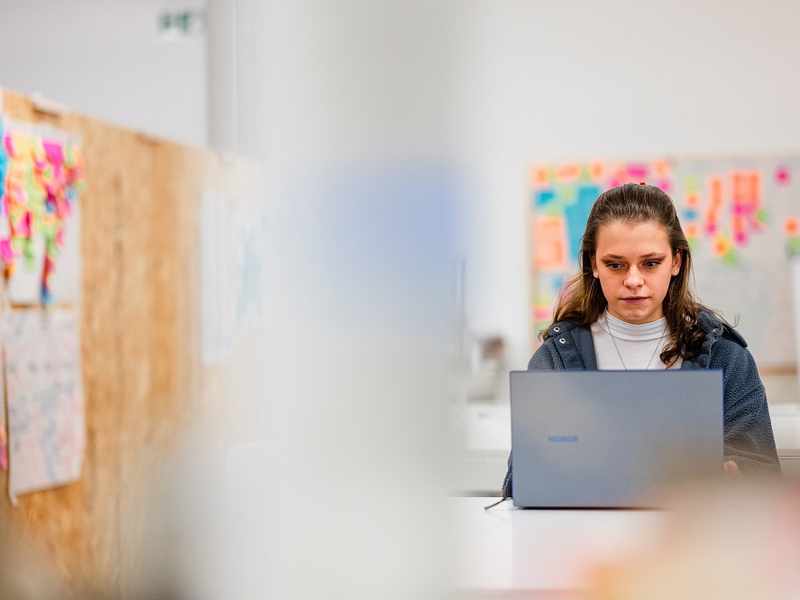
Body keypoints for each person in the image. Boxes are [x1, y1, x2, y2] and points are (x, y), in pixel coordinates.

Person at [501, 182, 780, 499]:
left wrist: (736, 477)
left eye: (651, 263)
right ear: (593, 264)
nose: (633, 280)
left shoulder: (726, 358)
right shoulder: (557, 358)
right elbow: (519, 481)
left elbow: (763, 477)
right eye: (615, 264)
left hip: (691, 529)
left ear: (676, 262)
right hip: (583, 530)